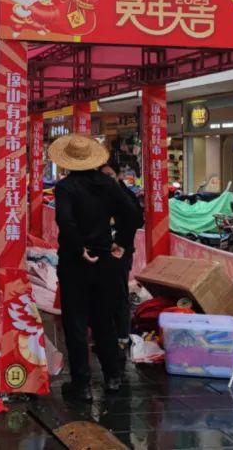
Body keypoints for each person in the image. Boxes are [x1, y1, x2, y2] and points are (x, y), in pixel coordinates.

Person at [50, 134, 140, 402]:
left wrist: (80, 248)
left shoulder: (65, 188)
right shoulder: (108, 184)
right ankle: (113, 377)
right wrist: (121, 243)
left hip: (74, 262)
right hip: (106, 261)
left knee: (76, 322)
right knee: (104, 320)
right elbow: (134, 215)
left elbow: (64, 221)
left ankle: (83, 385)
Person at [101, 158, 144, 353]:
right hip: (101, 253)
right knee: (102, 293)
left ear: (118, 175)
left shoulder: (126, 196)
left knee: (119, 294)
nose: (107, 179)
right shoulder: (99, 195)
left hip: (121, 253)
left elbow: (136, 221)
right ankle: (105, 334)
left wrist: (120, 245)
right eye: (103, 176)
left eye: (110, 175)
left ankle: (122, 336)